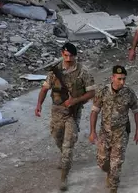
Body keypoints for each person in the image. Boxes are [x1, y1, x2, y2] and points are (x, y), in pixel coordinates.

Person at [35, 42, 95, 191]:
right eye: (66, 55)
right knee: (57, 137)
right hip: (56, 111)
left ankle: (64, 177)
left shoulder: (83, 71)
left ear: (75, 56)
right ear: (62, 54)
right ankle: (64, 156)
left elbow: (92, 92)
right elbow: (44, 89)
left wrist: (76, 100)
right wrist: (39, 105)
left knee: (68, 144)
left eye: (71, 56)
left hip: (72, 113)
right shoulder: (54, 72)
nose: (68, 59)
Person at [89, 65, 138, 193]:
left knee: (116, 163)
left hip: (121, 133)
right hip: (105, 133)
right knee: (103, 162)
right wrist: (92, 131)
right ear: (112, 78)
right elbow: (94, 111)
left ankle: (113, 187)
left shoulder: (129, 93)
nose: (122, 82)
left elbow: (136, 112)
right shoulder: (103, 92)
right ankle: (109, 173)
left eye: (124, 79)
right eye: (119, 79)